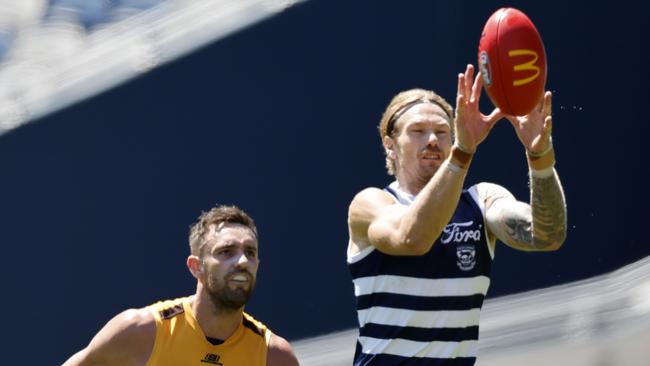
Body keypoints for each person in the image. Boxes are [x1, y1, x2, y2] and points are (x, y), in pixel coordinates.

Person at [346, 64, 567, 365]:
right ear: (390, 145)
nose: (433, 140)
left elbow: (547, 236)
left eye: (442, 131)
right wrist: (462, 152)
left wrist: (540, 157)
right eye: (418, 131)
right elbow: (412, 238)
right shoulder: (371, 203)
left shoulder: (481, 200)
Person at [63, 204, 299, 366]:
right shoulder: (140, 330)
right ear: (196, 267)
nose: (242, 261)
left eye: (250, 252)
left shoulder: (274, 356)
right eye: (226, 252)